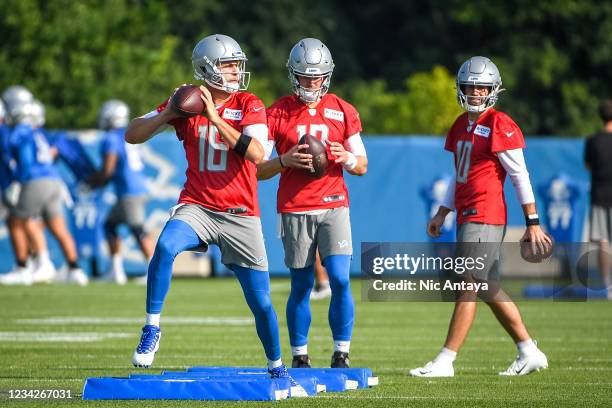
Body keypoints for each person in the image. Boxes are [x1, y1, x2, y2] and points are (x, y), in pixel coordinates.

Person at [125, 34, 298, 384]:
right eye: (228, 64)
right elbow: (131, 134)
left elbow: (258, 155)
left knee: (261, 303)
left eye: (237, 64)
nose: (236, 71)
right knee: (165, 246)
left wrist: (216, 118)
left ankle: (276, 363)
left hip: (240, 213)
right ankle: (152, 327)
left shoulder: (250, 103)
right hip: (198, 205)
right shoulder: (185, 101)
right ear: (208, 68)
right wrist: (169, 113)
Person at [410, 56, 551, 377]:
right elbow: (459, 175)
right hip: (466, 213)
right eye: (470, 86)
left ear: (493, 89)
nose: (475, 93)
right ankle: (529, 351)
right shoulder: (460, 124)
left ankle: (446, 360)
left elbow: (520, 175)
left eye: (481, 87)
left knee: (468, 283)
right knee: (485, 284)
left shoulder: (500, 123)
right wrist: (443, 211)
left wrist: (532, 222)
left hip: (485, 213)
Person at [257, 38, 368, 368]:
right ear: (293, 75)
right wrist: (284, 160)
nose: (311, 82)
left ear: (327, 76)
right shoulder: (276, 111)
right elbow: (258, 169)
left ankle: (341, 352)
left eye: (316, 76)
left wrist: (346, 157)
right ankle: (300, 356)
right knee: (302, 284)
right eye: (304, 76)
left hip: (334, 203)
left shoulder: (343, 109)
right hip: (295, 207)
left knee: (341, 278)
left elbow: (362, 165)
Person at [2, 98, 88, 286]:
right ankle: (75, 269)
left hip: (34, 179)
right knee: (57, 226)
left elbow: (25, 159)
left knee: (15, 220)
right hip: (54, 180)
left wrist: (17, 182)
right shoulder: (38, 133)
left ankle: (22, 268)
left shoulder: (20, 132)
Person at [88, 100, 154, 285]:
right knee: (110, 225)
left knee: (137, 229)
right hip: (137, 188)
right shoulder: (128, 133)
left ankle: (153, 270)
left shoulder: (111, 138)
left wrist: (95, 181)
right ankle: (116, 270)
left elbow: (108, 168)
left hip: (129, 191)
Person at [584, 99, 612, 299]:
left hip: (599, 195)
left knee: (603, 242)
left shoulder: (593, 141)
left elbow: (588, 166)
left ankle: (607, 285)